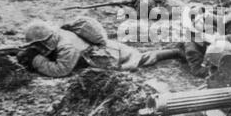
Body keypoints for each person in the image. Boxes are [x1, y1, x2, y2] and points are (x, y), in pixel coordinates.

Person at [16, 18, 184, 78]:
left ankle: (175, 52)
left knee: (140, 60)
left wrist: (36, 60)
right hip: (105, 50)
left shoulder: (66, 46)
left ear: (46, 39)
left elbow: (61, 70)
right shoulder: (57, 35)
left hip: (115, 55)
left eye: (37, 44)